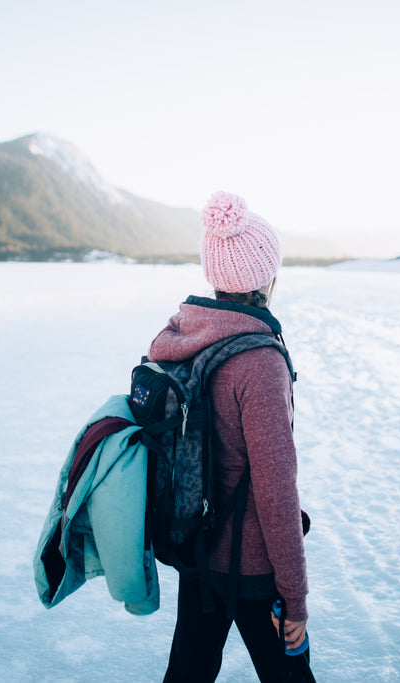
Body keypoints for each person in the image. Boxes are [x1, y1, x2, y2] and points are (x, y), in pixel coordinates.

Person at [150, 191, 314, 682]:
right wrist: (295, 595)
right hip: (251, 568)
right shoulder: (259, 362)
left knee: (188, 673)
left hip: (196, 550)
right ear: (267, 275)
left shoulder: (186, 336)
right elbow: (276, 492)